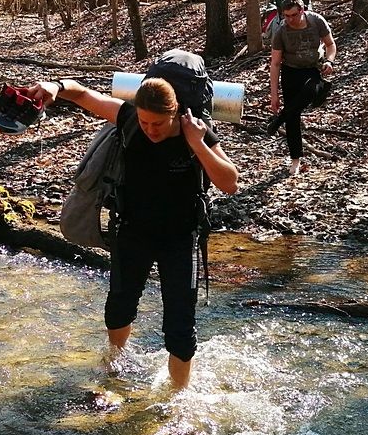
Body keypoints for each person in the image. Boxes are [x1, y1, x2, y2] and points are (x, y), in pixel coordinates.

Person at [25, 76, 239, 390]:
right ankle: (115, 366)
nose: (150, 130)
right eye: (144, 121)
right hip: (132, 231)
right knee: (120, 306)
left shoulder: (197, 130)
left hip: (180, 239)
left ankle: (177, 397)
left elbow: (230, 182)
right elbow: (86, 96)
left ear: (174, 112)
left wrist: (196, 144)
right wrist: (56, 87)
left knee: (180, 327)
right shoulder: (128, 119)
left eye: (158, 124)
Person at [267, 0, 337, 177]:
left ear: (302, 11)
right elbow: (275, 63)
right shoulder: (281, 31)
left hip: (313, 68)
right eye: (286, 16)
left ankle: (279, 120)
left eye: (293, 15)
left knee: (309, 90)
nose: (289, 19)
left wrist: (330, 61)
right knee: (293, 117)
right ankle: (295, 159)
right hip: (290, 71)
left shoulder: (316, 22)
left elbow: (330, 44)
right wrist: (274, 95)